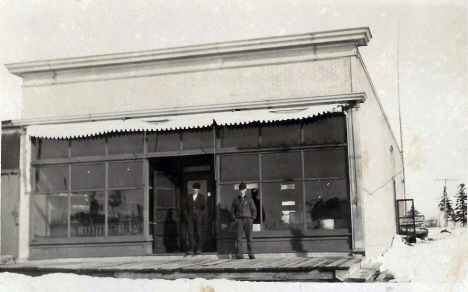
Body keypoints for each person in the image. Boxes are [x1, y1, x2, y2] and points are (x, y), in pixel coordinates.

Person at [231, 182, 257, 259]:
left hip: (248, 220)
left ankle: (251, 254)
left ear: (245, 190)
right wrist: (235, 218)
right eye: (240, 189)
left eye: (243, 189)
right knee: (239, 238)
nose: (242, 191)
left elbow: (254, 210)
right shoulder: (236, 200)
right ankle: (239, 254)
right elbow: (232, 211)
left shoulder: (249, 199)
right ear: (239, 190)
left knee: (249, 238)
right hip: (239, 220)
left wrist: (252, 218)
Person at [181, 182, 207, 255]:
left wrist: (201, 214)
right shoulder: (189, 197)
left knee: (198, 232)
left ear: (198, 189)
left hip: (198, 217)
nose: (194, 189)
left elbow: (205, 208)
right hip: (190, 217)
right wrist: (186, 215)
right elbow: (185, 207)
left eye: (196, 188)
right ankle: (192, 248)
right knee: (190, 233)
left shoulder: (202, 197)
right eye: (194, 188)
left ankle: (199, 248)